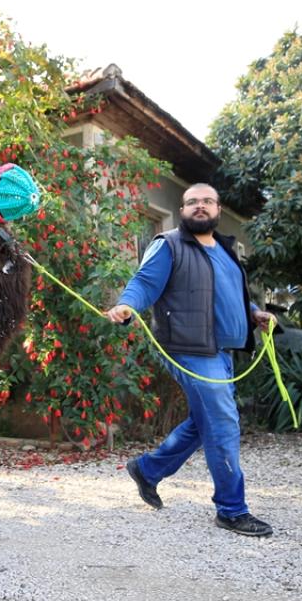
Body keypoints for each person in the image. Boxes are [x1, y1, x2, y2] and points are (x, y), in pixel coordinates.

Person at [103, 183, 276, 537]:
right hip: (188, 349)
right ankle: (232, 509)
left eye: (207, 201)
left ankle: (148, 470)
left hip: (221, 351)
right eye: (192, 201)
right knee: (223, 422)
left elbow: (231, 293)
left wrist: (255, 312)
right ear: (182, 210)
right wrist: (126, 305)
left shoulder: (225, 250)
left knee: (205, 421)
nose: (200, 206)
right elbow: (144, 283)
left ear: (218, 209)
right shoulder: (169, 245)